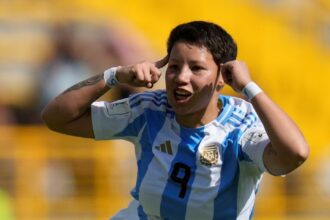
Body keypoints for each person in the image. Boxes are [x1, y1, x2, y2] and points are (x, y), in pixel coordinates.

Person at [41, 21, 309, 219]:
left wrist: (249, 87)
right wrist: (114, 76)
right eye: (175, 66)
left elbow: (295, 153)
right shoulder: (150, 109)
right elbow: (56, 118)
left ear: (222, 79)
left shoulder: (240, 126)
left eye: (196, 68)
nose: (181, 77)